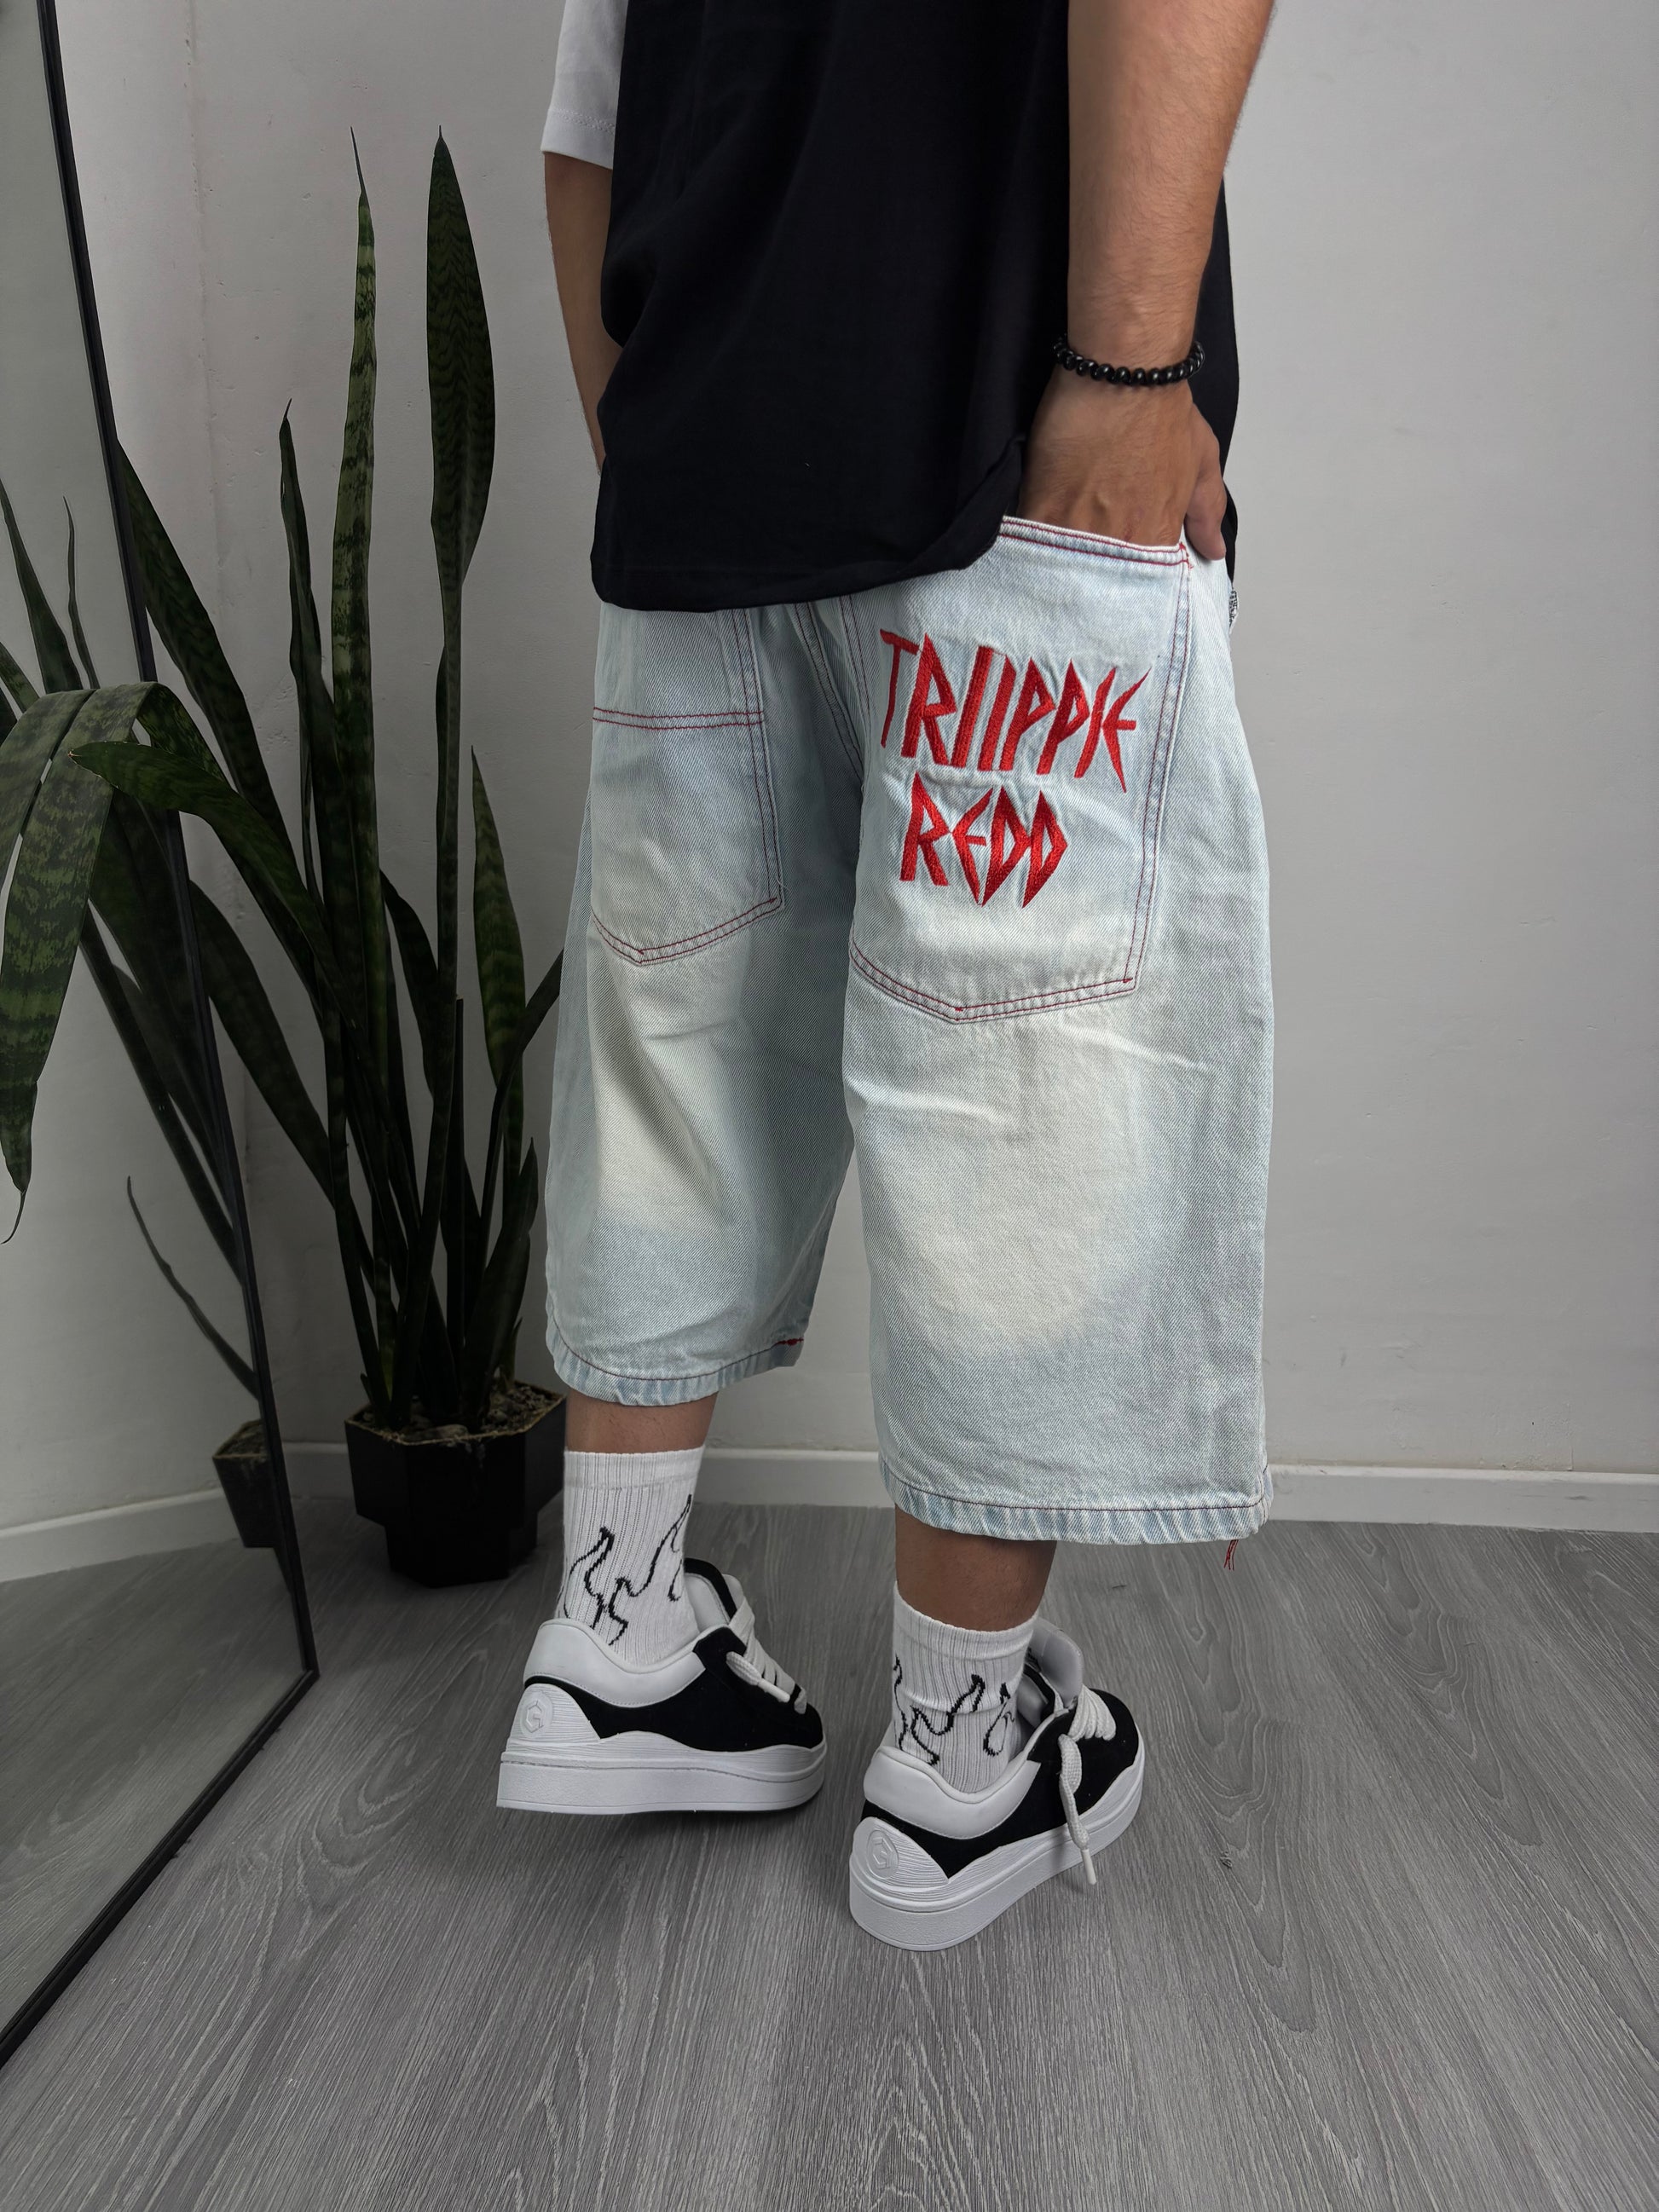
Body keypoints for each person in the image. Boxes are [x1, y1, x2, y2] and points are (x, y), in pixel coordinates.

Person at [498, 0, 1275, 1952]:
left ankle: (614, 1631)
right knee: (1018, 1105)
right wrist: (1128, 369)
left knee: (675, 1059)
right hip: (1002, 440)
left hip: (702, 465)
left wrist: (657, 444)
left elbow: (589, 118)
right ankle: (960, 1754)